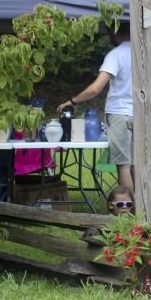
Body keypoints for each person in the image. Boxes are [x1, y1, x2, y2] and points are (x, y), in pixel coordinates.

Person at [57, 23, 134, 194]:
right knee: (138, 166)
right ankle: (143, 214)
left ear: (113, 31)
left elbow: (96, 88)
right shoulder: (143, 52)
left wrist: (74, 100)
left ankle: (128, 215)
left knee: (124, 167)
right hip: (142, 115)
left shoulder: (116, 54)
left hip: (120, 114)